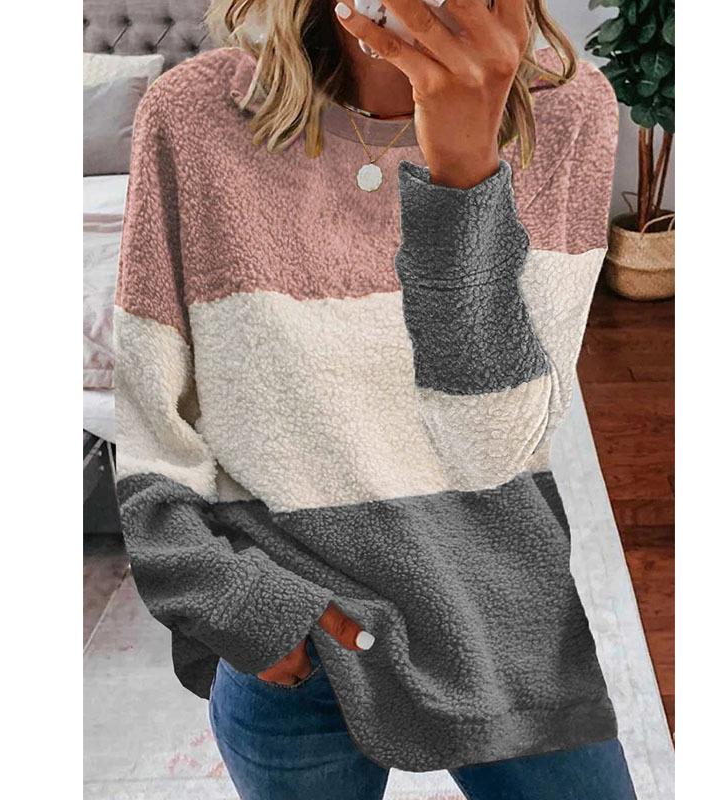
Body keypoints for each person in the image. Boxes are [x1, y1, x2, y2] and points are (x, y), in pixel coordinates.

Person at [113, 0, 635, 797]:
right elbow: (152, 424)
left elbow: (493, 449)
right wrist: (243, 606)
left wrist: (465, 180)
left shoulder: (567, 113)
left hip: (496, 623)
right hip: (293, 634)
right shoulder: (194, 117)